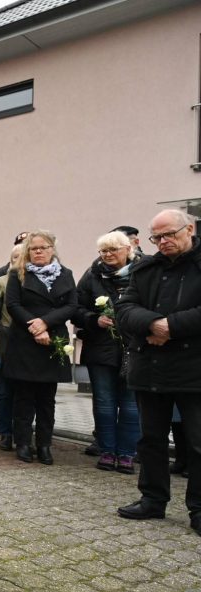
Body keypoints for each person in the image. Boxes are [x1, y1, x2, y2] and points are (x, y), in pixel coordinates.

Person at [116, 209, 201, 535]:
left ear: (189, 228)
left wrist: (172, 327)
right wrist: (153, 324)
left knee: (197, 443)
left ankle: (199, 508)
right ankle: (152, 498)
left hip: (195, 369)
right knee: (150, 439)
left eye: (170, 235)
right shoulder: (145, 269)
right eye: (157, 237)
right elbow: (124, 309)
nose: (163, 242)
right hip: (150, 367)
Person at [2, 230, 76, 465]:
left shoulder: (66, 274)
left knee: (47, 398)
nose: (39, 252)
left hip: (52, 341)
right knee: (23, 396)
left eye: (43, 247)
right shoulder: (18, 274)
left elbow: (72, 306)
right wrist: (36, 327)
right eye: (34, 248)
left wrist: (46, 323)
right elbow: (13, 305)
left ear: (52, 249)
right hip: (25, 341)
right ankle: (23, 442)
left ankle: (44, 444)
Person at [72, 231, 141, 473]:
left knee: (131, 404)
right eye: (104, 251)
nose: (109, 255)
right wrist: (94, 319)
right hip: (101, 348)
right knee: (104, 403)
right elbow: (76, 308)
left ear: (128, 249)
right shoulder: (92, 275)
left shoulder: (143, 272)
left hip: (135, 349)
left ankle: (127, 454)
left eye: (114, 249)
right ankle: (107, 451)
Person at [0, 245, 24, 451]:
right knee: (3, 390)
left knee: (24, 393)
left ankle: (21, 433)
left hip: (27, 344)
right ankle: (4, 432)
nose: (19, 261)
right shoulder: (0, 283)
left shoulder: (35, 283)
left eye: (22, 257)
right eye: (15, 257)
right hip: (5, 342)